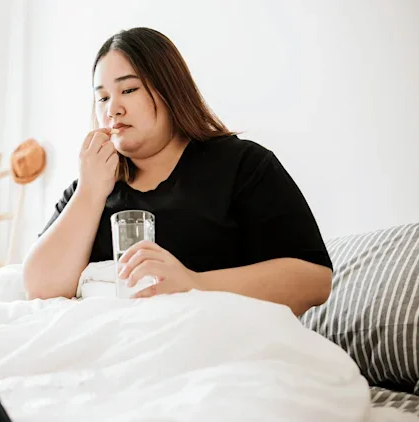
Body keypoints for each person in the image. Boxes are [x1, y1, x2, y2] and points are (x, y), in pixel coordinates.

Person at [22, 27, 332, 317]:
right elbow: (39, 287)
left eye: (128, 89)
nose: (112, 108)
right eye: (102, 97)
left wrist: (192, 283)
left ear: (170, 91)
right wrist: (90, 192)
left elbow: (314, 279)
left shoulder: (242, 165)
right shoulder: (91, 185)